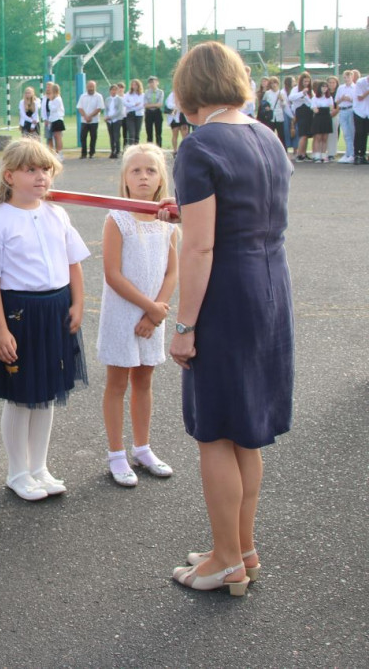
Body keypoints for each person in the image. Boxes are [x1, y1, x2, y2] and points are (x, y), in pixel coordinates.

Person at [165, 41, 293, 596]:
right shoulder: (266, 135)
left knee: (215, 431)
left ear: (190, 88)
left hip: (225, 296)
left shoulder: (199, 147)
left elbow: (199, 250)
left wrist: (184, 326)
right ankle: (240, 546)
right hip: (270, 287)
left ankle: (225, 561)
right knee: (247, 432)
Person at [0, 139, 89, 501]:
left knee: (47, 394)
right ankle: (17, 471)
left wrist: (78, 304)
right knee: (21, 397)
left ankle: (39, 467)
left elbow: (74, 263)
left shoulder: (58, 214)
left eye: (47, 169)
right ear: (9, 176)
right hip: (19, 315)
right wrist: (0, 329)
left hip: (55, 310)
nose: (41, 177)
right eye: (31, 170)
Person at [96, 144, 178, 487]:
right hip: (123, 313)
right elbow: (112, 273)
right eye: (136, 171)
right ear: (124, 179)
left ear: (161, 179)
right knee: (118, 383)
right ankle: (116, 455)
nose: (144, 176)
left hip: (152, 317)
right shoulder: (117, 218)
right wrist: (148, 307)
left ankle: (142, 448)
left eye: (151, 170)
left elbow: (172, 272)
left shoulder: (169, 223)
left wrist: (156, 312)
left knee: (144, 381)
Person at [288, 72, 313, 161]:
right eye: (304, 81)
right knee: (302, 134)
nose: (306, 83)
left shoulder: (310, 90)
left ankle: (304, 153)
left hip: (308, 112)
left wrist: (306, 96)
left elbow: (311, 102)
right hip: (300, 112)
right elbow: (291, 98)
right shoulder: (296, 89)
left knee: (306, 134)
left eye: (308, 81)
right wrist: (302, 93)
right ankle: (299, 154)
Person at [76, 80, 103, 159]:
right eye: (89, 87)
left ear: (95, 87)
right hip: (84, 120)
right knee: (83, 137)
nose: (90, 88)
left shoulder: (98, 96)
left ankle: (92, 153)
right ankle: (83, 153)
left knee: (93, 137)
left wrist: (90, 116)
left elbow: (99, 108)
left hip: (94, 120)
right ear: (87, 87)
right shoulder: (83, 96)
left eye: (92, 87)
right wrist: (85, 116)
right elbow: (79, 107)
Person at [335, 70, 357, 163]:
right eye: (345, 77)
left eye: (348, 77)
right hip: (342, 110)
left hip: (351, 110)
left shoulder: (355, 87)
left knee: (351, 133)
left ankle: (352, 154)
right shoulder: (340, 88)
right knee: (346, 134)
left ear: (352, 77)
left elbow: (357, 101)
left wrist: (350, 99)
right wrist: (342, 99)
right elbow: (336, 101)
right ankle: (348, 153)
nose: (346, 79)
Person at [44, 84, 66, 161]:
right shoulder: (53, 99)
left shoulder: (57, 99)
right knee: (54, 137)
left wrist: (50, 100)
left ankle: (60, 153)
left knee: (58, 137)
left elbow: (53, 109)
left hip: (58, 119)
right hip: (53, 120)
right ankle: (56, 153)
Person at [105, 83, 125, 159]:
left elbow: (119, 111)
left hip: (117, 119)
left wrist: (111, 117)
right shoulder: (107, 99)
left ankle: (117, 151)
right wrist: (106, 117)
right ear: (110, 91)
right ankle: (112, 151)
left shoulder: (119, 99)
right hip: (109, 121)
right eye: (112, 90)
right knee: (111, 136)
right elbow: (106, 109)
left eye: (115, 90)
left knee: (116, 136)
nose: (113, 91)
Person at [144, 76, 165, 146]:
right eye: (150, 82)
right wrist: (154, 104)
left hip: (157, 113)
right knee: (149, 132)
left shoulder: (161, 92)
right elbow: (145, 105)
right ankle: (149, 149)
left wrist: (151, 105)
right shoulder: (146, 92)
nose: (151, 84)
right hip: (149, 113)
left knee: (158, 132)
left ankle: (159, 148)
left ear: (157, 82)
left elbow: (159, 104)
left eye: (153, 82)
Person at [354, 70, 369, 164]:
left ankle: (363, 155)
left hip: (368, 111)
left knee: (365, 134)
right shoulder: (361, 82)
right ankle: (357, 155)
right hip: (359, 111)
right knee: (359, 133)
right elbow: (360, 97)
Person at [124, 79, 145, 146]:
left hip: (139, 115)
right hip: (130, 115)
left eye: (135, 84)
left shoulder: (142, 95)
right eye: (132, 84)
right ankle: (131, 148)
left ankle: (136, 148)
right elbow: (125, 103)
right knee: (131, 133)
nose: (134, 86)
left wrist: (132, 106)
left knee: (137, 134)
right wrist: (134, 104)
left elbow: (142, 105)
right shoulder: (128, 94)